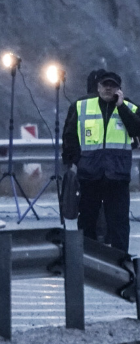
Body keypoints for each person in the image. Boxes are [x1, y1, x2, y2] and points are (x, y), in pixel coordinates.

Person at [62, 70, 140, 253]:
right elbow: (69, 136)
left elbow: (137, 128)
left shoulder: (129, 108)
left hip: (117, 177)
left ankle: (120, 264)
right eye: (105, 85)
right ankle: (87, 261)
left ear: (119, 90)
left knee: (118, 224)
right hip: (90, 175)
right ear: (98, 87)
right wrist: (76, 161)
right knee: (87, 221)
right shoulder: (81, 106)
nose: (108, 89)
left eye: (112, 86)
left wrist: (121, 107)